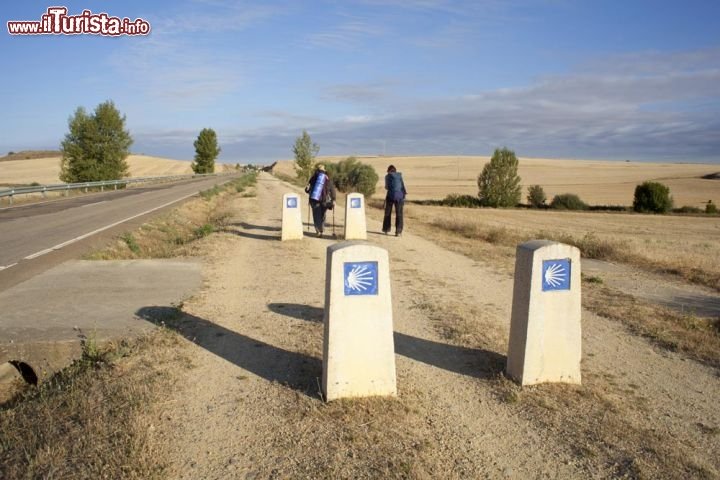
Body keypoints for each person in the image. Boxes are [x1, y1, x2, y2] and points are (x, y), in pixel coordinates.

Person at [305, 164, 336, 237]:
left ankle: (318, 231)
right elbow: (332, 189)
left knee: (316, 215)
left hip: (314, 200)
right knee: (323, 215)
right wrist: (334, 199)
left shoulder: (313, 178)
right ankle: (321, 229)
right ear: (324, 170)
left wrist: (308, 190)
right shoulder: (327, 178)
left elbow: (307, 190)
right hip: (324, 200)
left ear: (317, 170)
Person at [382, 164, 407, 236]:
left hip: (390, 196)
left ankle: (386, 230)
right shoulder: (399, 176)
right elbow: (402, 186)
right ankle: (398, 232)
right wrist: (403, 195)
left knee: (388, 213)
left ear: (389, 170)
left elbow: (386, 187)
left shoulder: (387, 176)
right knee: (399, 214)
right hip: (399, 197)